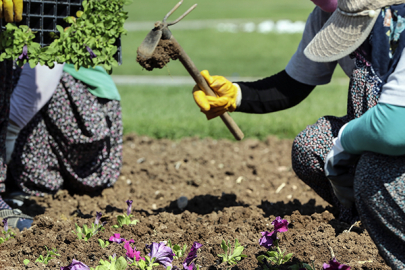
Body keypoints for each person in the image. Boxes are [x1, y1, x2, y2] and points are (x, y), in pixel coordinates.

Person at [192, 0, 405, 269]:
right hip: (366, 127)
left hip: (393, 129)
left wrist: (348, 139)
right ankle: (359, 218)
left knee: (373, 175)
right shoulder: (327, 18)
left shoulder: (397, 18)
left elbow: (394, 124)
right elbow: (294, 83)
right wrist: (238, 95)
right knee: (310, 146)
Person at [0, 62, 123, 230]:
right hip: (84, 141)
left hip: (87, 117)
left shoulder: (41, 42)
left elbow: (35, 88)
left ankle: (34, 183)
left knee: (13, 76)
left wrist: (5, 140)